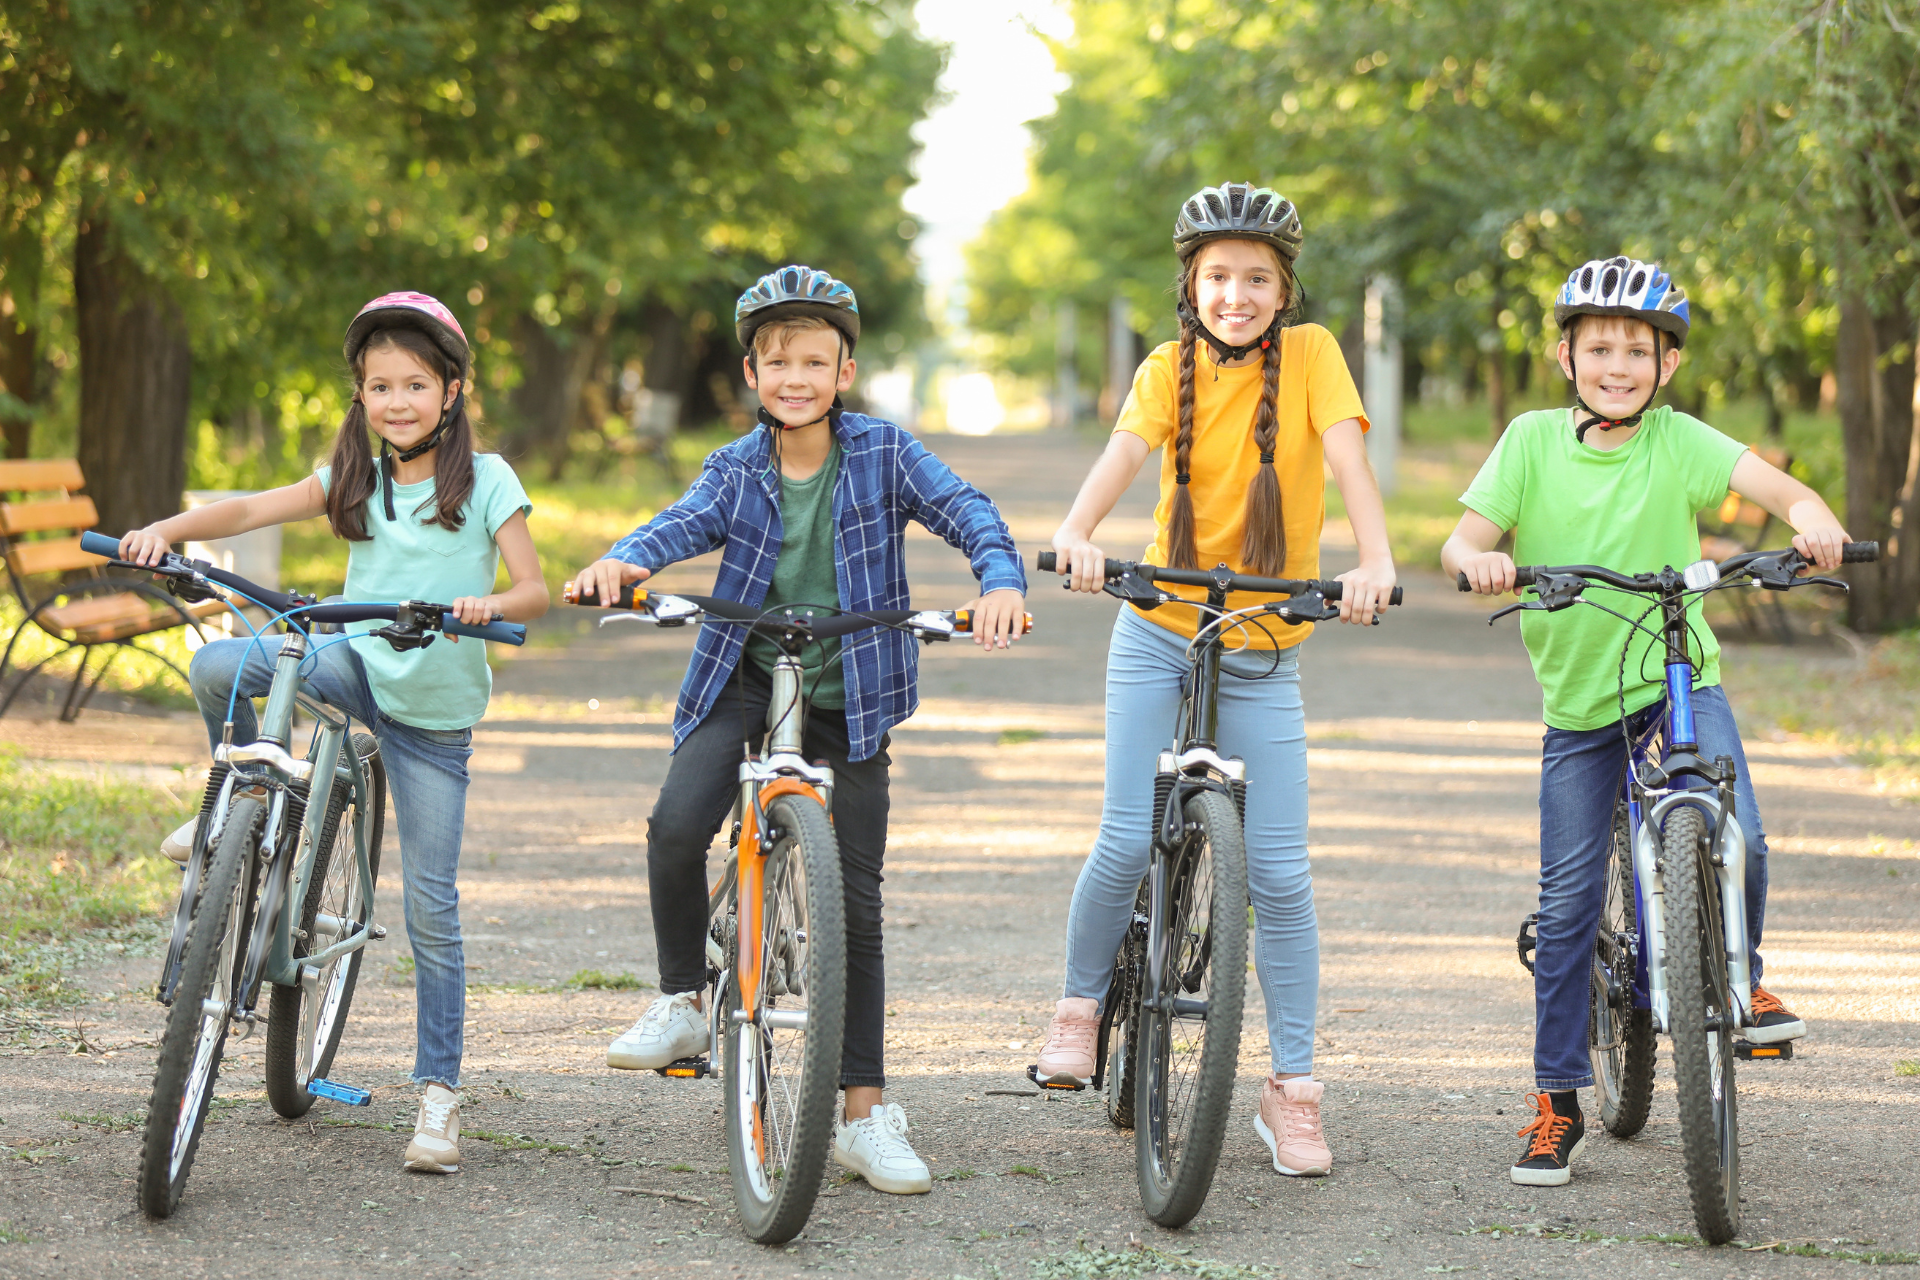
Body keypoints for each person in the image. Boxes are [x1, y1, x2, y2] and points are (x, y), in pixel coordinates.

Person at [571, 265, 1028, 1196]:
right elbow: (680, 525)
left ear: (845, 372)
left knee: (855, 907)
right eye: (778, 362)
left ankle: (863, 1115)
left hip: (849, 690)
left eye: (814, 362)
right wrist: (622, 559)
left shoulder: (885, 453)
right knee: (672, 825)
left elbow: (967, 509)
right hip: (744, 675)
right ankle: (681, 1001)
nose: (796, 379)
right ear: (751, 374)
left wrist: (1000, 581)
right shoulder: (736, 467)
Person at [119, 291, 549, 1175]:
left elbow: (534, 593)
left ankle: (438, 1097)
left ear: (452, 390)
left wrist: (487, 605)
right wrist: (162, 531)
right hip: (355, 663)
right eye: (379, 386)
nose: (396, 401)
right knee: (222, 665)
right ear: (361, 395)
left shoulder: (488, 479)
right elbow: (246, 512)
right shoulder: (358, 475)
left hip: (433, 715)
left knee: (432, 908)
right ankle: (234, 797)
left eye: (415, 385)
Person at [1441, 256, 1847, 1187]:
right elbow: (1462, 537)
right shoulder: (1532, 440)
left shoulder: (1676, 440)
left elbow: (1777, 488)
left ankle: (1738, 982)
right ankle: (1555, 1102)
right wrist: (1482, 560)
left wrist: (1812, 516)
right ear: (1565, 355)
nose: (1618, 364)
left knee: (1737, 826)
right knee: (1570, 903)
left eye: (1638, 350)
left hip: (1678, 676)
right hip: (1580, 707)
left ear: (1666, 366)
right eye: (1600, 348)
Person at [1038, 183, 1397, 1179]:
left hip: (1263, 642)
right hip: (1158, 627)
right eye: (1217, 277)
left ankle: (1292, 1093)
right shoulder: (1168, 367)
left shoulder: (1315, 356)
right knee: (1122, 830)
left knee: (1279, 872)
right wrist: (1075, 534)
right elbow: (1120, 459)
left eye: (1256, 278)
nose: (1235, 294)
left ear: (1284, 289)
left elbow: (1350, 462)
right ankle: (1077, 1008)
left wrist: (1373, 559)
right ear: (1190, 284)